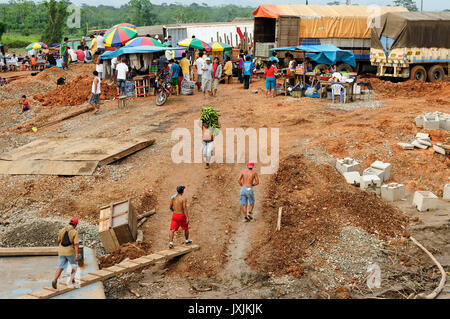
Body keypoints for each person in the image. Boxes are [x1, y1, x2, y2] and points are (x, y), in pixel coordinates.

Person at [52, 218, 80, 289]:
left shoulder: (62, 230)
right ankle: (71, 280)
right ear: (75, 225)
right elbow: (76, 244)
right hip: (70, 251)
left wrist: (61, 249)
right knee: (74, 265)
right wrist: (77, 255)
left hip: (61, 251)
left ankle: (55, 279)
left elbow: (58, 241)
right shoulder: (74, 232)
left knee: (61, 266)